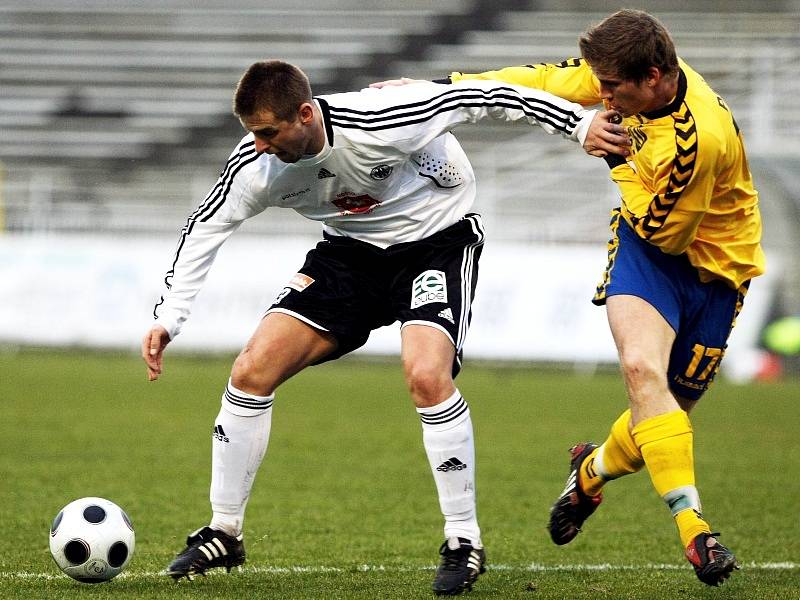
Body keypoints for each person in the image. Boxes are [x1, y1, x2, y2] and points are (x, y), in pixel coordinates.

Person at [141, 60, 626, 595]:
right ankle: (224, 531)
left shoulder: (382, 115)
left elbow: (494, 96)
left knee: (425, 376)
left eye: (268, 132)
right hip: (348, 255)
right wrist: (168, 318)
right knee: (251, 371)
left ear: (305, 114)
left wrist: (579, 125)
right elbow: (205, 226)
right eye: (252, 133)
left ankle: (464, 540)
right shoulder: (255, 166)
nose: (257, 144)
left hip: (434, 242)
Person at [379, 9, 764, 588]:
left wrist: (612, 154)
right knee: (642, 372)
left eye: (611, 88)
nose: (599, 95)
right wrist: (435, 90)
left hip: (711, 264)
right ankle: (695, 529)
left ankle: (590, 472)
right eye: (599, 82)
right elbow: (533, 83)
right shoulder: (627, 74)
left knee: (658, 421)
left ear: (655, 78)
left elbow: (670, 231)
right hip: (645, 252)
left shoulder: (697, 141)